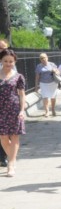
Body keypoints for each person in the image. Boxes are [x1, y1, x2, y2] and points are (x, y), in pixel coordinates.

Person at [0, 49, 26, 177]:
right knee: (3, 136)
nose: (8, 63)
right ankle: (13, 158)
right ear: (1, 60)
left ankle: (10, 164)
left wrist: (22, 110)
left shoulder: (18, 76)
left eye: (11, 61)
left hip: (14, 109)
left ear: (14, 62)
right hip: (1, 110)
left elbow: (21, 94)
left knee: (14, 136)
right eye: (5, 61)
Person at [35, 53, 60, 117]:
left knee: (53, 97)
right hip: (43, 83)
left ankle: (53, 110)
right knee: (45, 97)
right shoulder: (39, 66)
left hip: (53, 83)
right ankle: (47, 111)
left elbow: (58, 72)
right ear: (40, 59)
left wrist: (55, 71)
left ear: (47, 58)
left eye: (44, 57)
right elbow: (37, 76)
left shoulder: (52, 64)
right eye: (41, 58)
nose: (43, 59)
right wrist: (36, 86)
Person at [0, 39, 8, 168]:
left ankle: (4, 156)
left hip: (7, 102)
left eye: (5, 48)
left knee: (5, 132)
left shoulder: (9, 62)